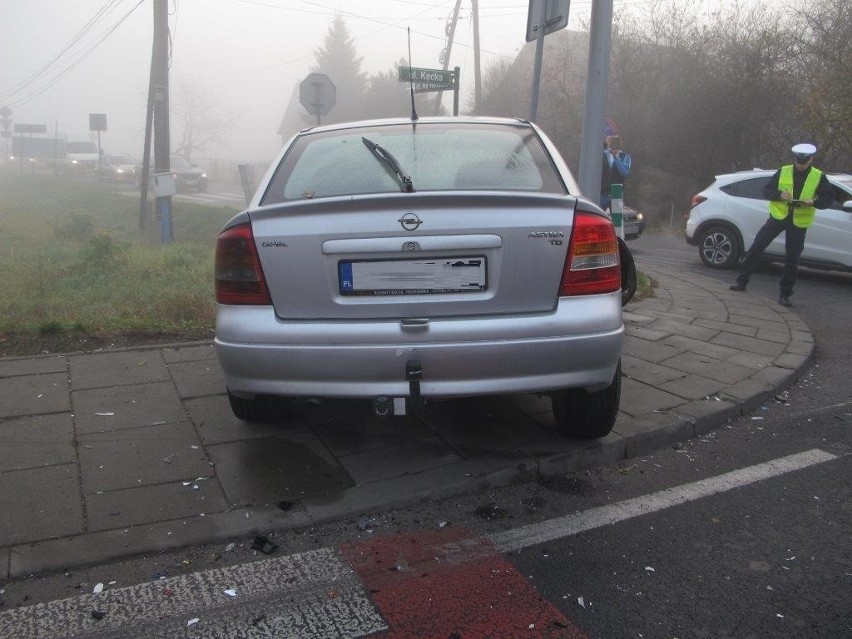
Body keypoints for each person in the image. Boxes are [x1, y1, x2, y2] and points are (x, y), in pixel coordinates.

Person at [729, 143, 835, 307]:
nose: (800, 165)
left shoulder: (818, 176)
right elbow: (766, 191)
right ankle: (741, 281)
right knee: (757, 247)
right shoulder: (784, 171)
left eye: (804, 162)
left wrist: (814, 202)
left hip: (799, 221)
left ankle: (785, 295)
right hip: (778, 216)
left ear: (810, 160)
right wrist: (779, 195)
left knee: (792, 259)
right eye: (798, 161)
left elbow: (829, 199)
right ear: (795, 159)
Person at [600, 136, 632, 211]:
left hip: (616, 193)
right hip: (601, 194)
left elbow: (624, 172)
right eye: (610, 141)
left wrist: (616, 157)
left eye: (615, 142)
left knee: (617, 220)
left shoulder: (625, 157)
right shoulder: (600, 155)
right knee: (598, 219)